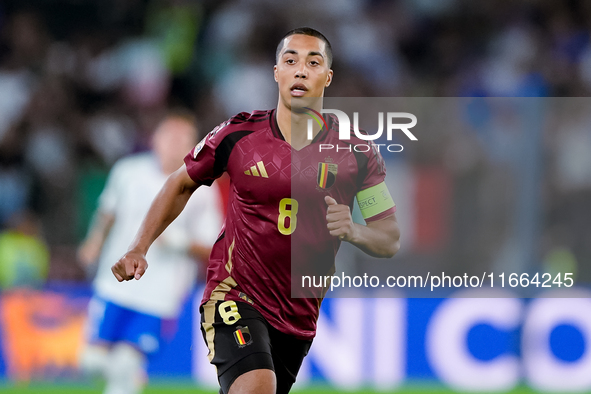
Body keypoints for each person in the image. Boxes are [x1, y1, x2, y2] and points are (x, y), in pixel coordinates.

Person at [112, 27, 400, 394]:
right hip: (234, 293)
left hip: (297, 313)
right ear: (276, 71)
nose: (300, 70)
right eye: (290, 60)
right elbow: (180, 182)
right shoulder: (237, 135)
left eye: (313, 62)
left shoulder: (357, 153)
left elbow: (389, 236)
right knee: (256, 388)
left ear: (327, 76)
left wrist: (356, 231)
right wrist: (139, 246)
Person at [78, 111, 223, 394]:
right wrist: (93, 243)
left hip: (160, 295)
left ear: (194, 145)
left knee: (126, 363)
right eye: (169, 135)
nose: (173, 143)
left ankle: (127, 377)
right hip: (114, 284)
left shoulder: (203, 188)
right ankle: (129, 377)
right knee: (91, 361)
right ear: (155, 138)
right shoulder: (128, 171)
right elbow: (108, 212)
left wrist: (181, 242)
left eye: (182, 138)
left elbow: (213, 245)